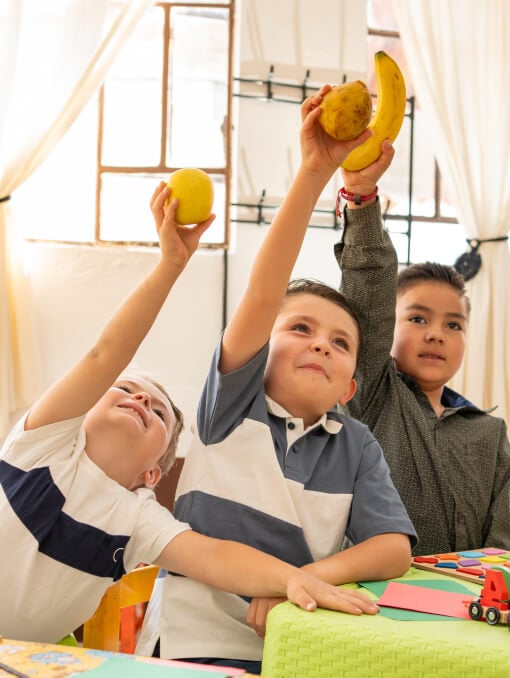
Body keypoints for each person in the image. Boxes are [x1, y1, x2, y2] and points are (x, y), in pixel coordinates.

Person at [0, 182, 384, 645]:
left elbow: (215, 557)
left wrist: (291, 580)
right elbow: (106, 355)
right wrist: (171, 264)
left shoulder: (138, 517)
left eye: (161, 412)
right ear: (81, 416)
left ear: (153, 472)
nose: (142, 400)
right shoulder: (40, 445)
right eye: (125, 389)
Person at [137, 86, 416, 674]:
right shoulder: (233, 405)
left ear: (348, 390)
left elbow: (393, 548)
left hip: (296, 648)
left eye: (341, 343)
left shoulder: (356, 443)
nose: (321, 342)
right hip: (192, 649)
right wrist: (315, 171)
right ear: (260, 350)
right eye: (301, 329)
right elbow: (265, 292)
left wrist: (302, 579)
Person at [335, 138, 510, 556]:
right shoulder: (372, 396)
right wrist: (361, 201)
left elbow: (502, 544)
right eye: (417, 318)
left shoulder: (490, 433)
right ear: (385, 327)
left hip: (464, 611)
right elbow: (368, 291)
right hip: (375, 602)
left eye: (454, 324)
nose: (436, 334)